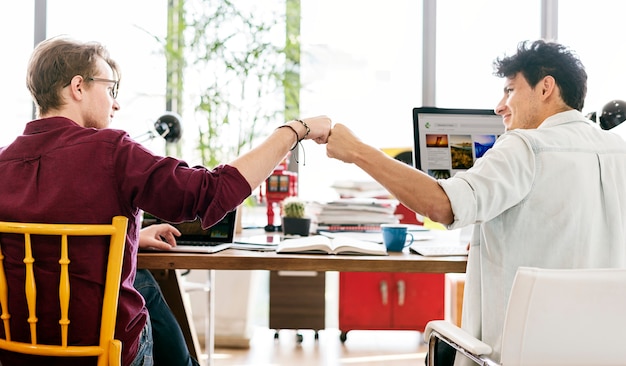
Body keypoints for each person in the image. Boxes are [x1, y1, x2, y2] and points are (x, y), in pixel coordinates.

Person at [0, 35, 331, 366]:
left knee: (138, 278)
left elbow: (44, 230)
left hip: (17, 352)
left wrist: (129, 239)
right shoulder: (112, 152)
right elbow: (213, 192)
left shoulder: (3, 162)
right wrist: (293, 131)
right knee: (140, 288)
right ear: (78, 87)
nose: (115, 104)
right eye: (111, 89)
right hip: (103, 354)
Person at [326, 39, 626, 365]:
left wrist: (357, 150)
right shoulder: (619, 152)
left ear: (546, 88)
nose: (500, 105)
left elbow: (442, 205)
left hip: (515, 358)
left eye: (510, 90)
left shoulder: (524, 147)